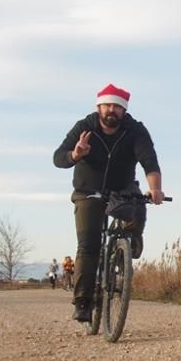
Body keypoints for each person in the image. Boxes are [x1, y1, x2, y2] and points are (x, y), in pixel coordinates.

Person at [53, 83, 165, 323]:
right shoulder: (85, 127)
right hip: (88, 191)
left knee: (138, 203)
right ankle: (83, 302)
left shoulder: (135, 131)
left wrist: (155, 189)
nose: (111, 110)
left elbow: (150, 162)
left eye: (117, 106)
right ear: (99, 106)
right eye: (107, 105)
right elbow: (58, 158)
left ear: (124, 110)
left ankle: (131, 237)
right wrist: (75, 155)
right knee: (88, 246)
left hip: (122, 188)